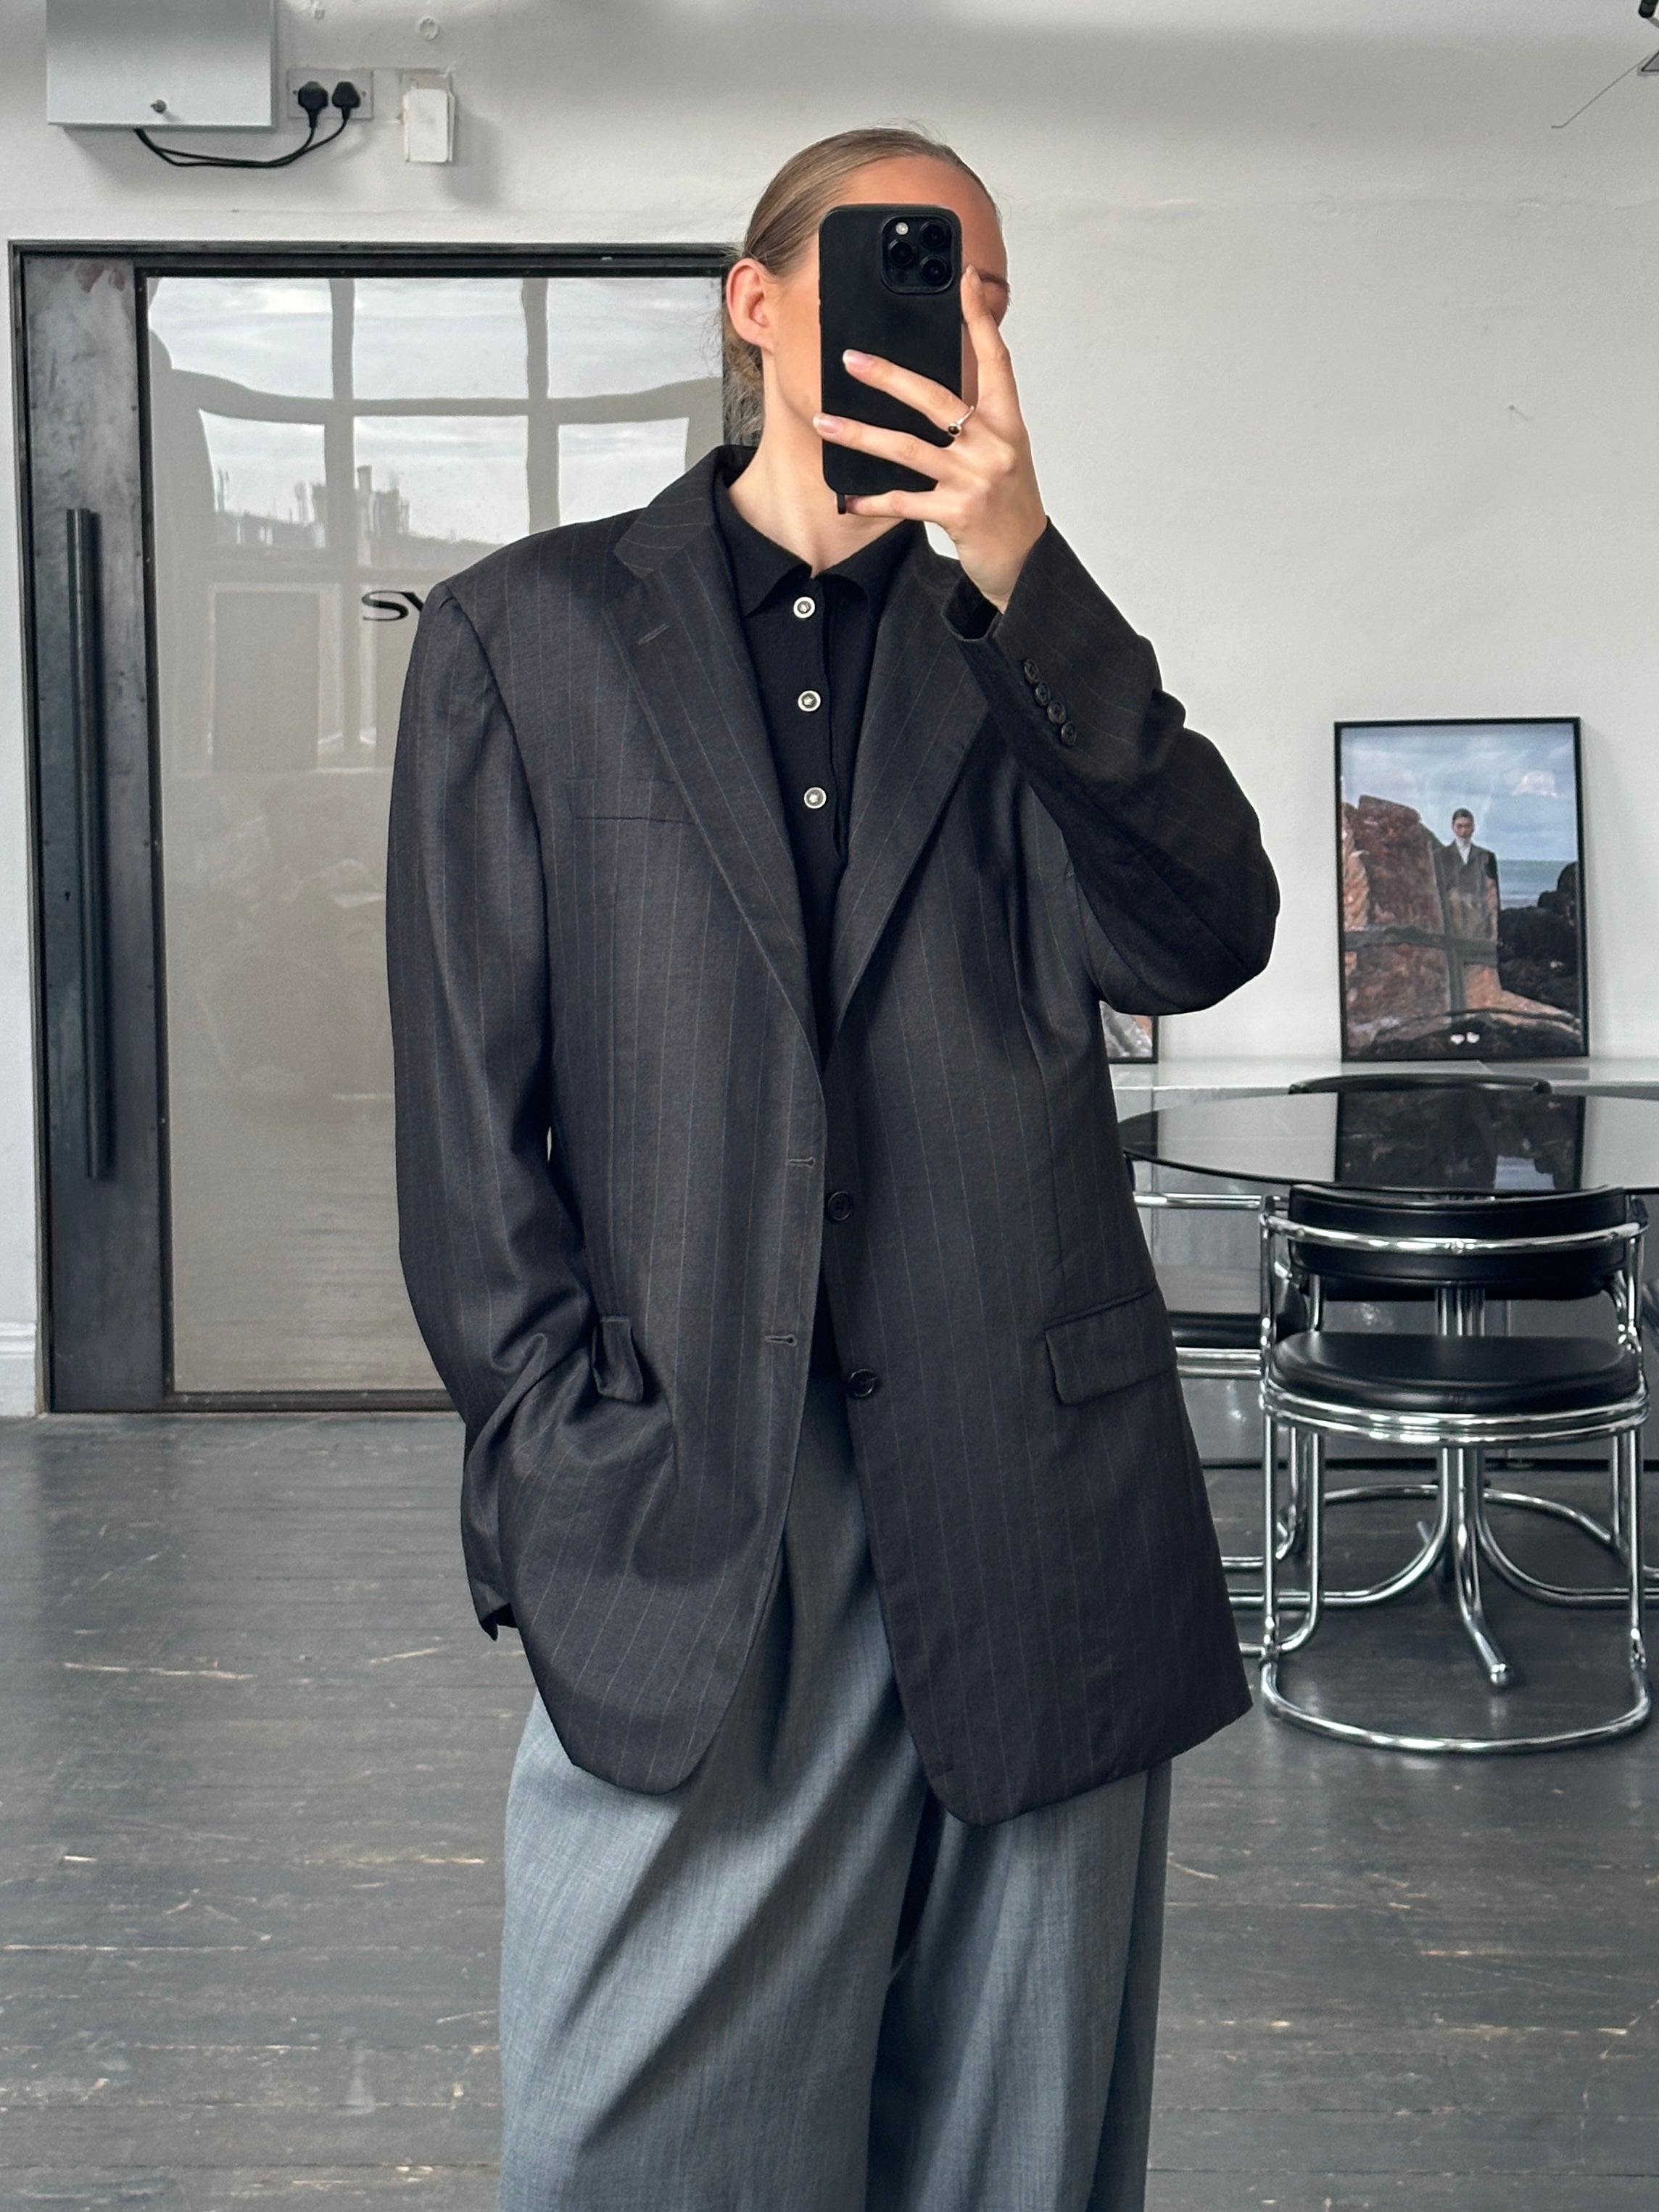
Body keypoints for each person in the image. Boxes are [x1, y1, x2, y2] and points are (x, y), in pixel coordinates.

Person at [386, 125, 1278, 2212]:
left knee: (1009, 2152)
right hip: (692, 1497)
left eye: (982, 293)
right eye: (910, 268)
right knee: (627, 2149)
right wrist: (560, 1464)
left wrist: (1024, 570)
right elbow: (466, 1133)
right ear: (758, 300)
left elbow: (1202, 932)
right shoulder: (525, 635)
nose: (948, 317)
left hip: (1033, 1498)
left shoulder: (1017, 652)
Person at [1433, 806, 1501, 1009]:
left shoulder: (1485, 857)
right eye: (1460, 826)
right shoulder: (1440, 856)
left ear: (1473, 827)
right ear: (1453, 827)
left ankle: (1479, 1012)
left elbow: (1494, 894)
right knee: (1454, 974)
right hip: (1452, 922)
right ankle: (1457, 1015)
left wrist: (1495, 927)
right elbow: (1437, 891)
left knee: (1479, 972)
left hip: (1478, 922)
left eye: (1467, 826)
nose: (1463, 831)